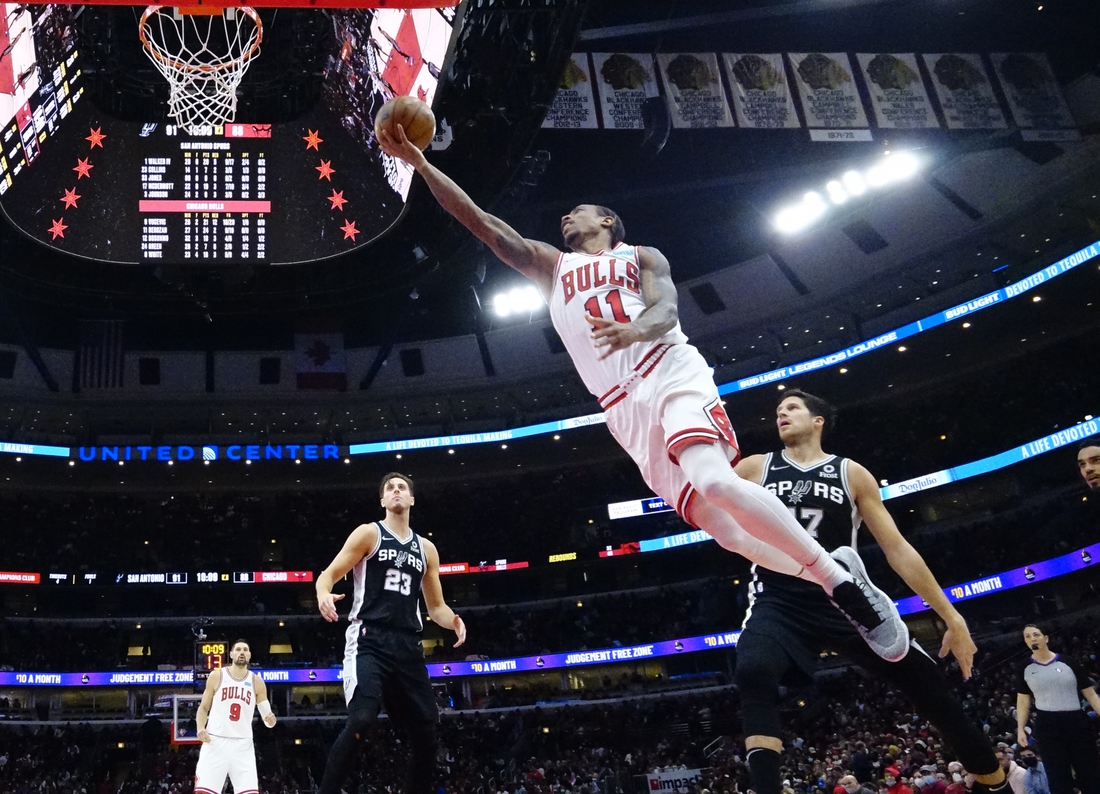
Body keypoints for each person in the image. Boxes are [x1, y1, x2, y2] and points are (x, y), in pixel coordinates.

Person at [376, 124, 907, 662]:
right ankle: (837, 572)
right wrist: (420, 164)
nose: (566, 216)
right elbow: (485, 226)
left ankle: (840, 587)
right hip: (622, 407)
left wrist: (638, 330)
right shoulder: (552, 266)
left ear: (607, 221)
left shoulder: (640, 257)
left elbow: (668, 310)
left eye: (579, 211)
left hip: (667, 367)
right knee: (725, 531)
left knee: (715, 481)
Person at [730, 389, 1009, 794]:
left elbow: (897, 548)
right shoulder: (755, 467)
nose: (781, 415)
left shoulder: (851, 473)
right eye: (777, 412)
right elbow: (700, 492)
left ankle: (996, 784)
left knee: (931, 687)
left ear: (818, 420)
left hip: (842, 595)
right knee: (753, 670)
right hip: (779, 596)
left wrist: (952, 616)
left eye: (791, 408)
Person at [315, 472, 466, 794]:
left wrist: (453, 620)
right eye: (390, 488)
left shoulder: (426, 548)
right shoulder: (369, 534)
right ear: (383, 501)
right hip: (369, 639)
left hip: (408, 645)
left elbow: (435, 606)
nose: (396, 491)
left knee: (427, 731)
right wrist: (323, 594)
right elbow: (327, 576)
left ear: (411, 499)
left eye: (402, 488)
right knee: (361, 720)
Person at [1015, 624, 1100, 794]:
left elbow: (1090, 694)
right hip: (1047, 725)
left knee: (1089, 771)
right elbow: (1023, 700)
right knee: (1057, 776)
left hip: (1076, 721)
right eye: (1028, 637)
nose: (1032, 639)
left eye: (1036, 634)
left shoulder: (1068, 662)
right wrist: (1020, 729)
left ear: (1046, 638)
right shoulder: (1024, 667)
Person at [193, 639, 277, 794]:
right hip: (215, 741)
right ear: (231, 654)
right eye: (238, 649)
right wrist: (200, 728)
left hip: (243, 744)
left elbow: (267, 718)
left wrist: (271, 721)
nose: (242, 652)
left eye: (245, 649)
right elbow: (203, 708)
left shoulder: (257, 682)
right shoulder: (216, 676)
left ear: (250, 655)